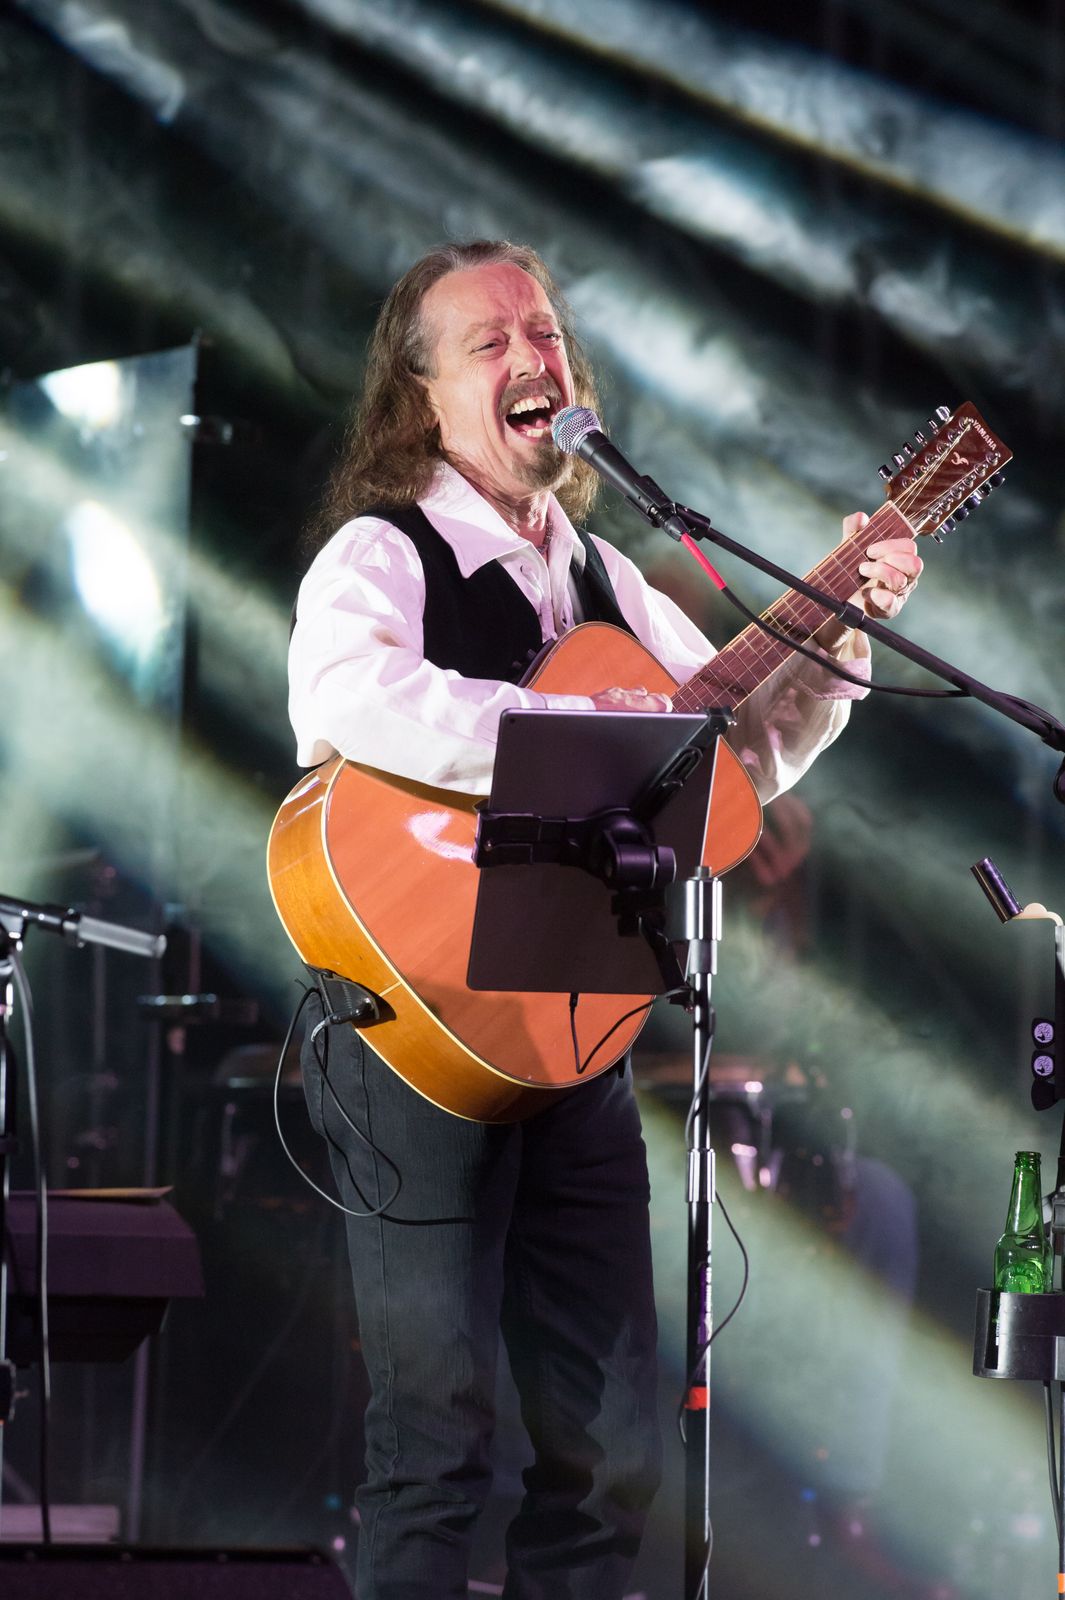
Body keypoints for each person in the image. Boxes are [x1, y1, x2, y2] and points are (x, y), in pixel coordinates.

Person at [286, 239, 921, 1600]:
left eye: (545, 334)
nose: (534, 358)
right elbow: (345, 698)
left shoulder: (608, 583)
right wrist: (565, 729)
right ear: (421, 400)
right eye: (490, 342)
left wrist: (833, 649)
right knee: (434, 1449)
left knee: (611, 1451)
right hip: (415, 1031)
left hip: (571, 1036)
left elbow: (730, 770)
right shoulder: (381, 552)